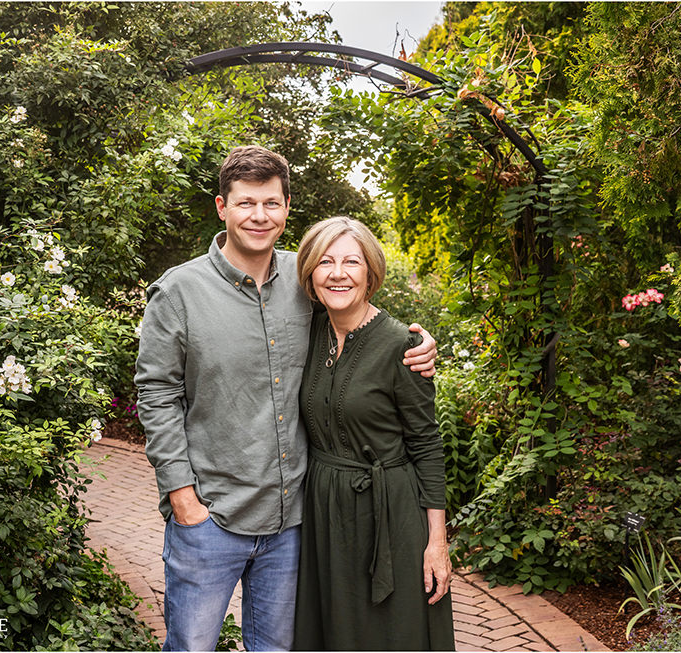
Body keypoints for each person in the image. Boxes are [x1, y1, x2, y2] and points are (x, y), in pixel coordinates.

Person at [134, 146, 438, 651]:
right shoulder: (179, 292)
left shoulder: (308, 278)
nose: (259, 216)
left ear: (287, 207)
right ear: (221, 207)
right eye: (247, 203)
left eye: (271, 203)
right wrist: (182, 497)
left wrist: (418, 346)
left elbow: (361, 319)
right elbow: (157, 394)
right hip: (211, 515)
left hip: (293, 523)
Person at [293, 216, 455, 650]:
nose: (338, 273)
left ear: (371, 272)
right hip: (325, 511)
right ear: (310, 271)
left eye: (352, 262)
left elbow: (427, 446)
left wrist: (436, 543)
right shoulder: (305, 332)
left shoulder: (404, 346)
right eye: (325, 261)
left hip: (391, 513)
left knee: (390, 635)